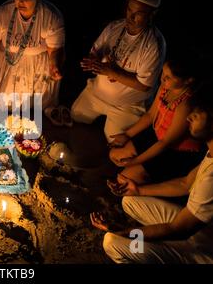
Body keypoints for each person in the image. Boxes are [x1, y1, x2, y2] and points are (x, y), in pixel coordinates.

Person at [91, 81, 213, 263]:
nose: (190, 116)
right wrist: (138, 190)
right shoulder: (210, 152)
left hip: (202, 247)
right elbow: (185, 183)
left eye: (198, 112)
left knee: (113, 242)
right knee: (130, 199)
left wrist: (120, 231)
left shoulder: (211, 179)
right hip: (192, 226)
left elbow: (177, 230)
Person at [71, 0, 166, 142]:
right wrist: (93, 61)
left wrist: (112, 72)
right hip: (98, 93)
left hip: (128, 105)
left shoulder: (154, 44)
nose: (131, 17)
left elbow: (144, 85)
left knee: (115, 141)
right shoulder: (114, 27)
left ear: (152, 15)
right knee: (76, 115)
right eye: (129, 10)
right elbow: (95, 52)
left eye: (138, 14)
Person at [108, 52, 205, 184]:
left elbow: (165, 143)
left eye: (168, 77)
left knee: (124, 180)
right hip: (157, 135)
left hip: (175, 151)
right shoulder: (166, 87)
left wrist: (135, 161)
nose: (162, 79)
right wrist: (126, 135)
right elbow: (150, 115)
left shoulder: (185, 105)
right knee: (114, 155)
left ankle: (152, 182)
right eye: (163, 73)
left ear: (188, 80)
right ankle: (139, 170)